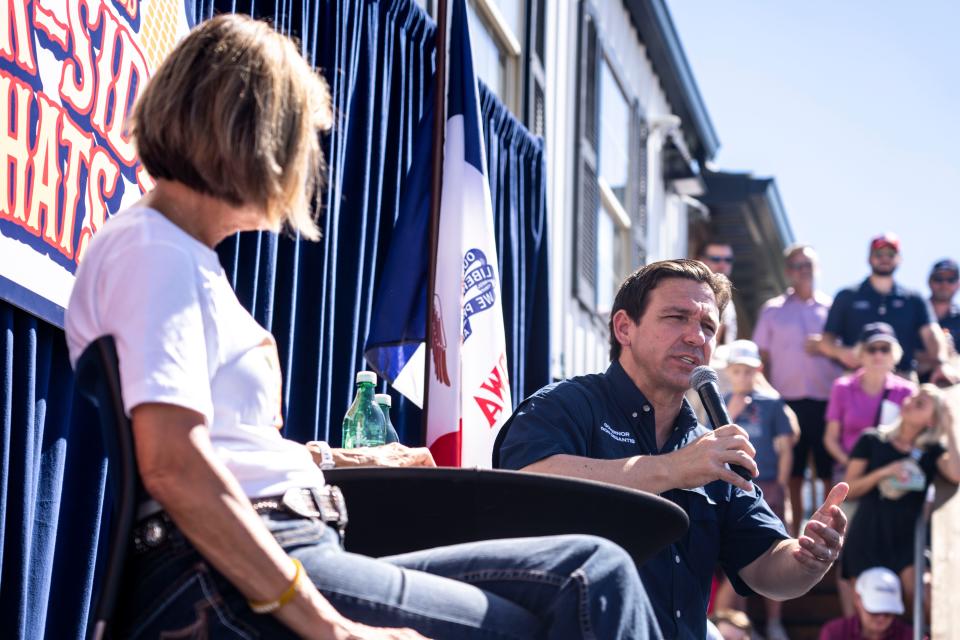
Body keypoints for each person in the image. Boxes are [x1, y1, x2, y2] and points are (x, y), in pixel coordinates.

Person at [64, 15, 662, 639]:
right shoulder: (154, 251)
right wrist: (330, 628)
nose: (306, 163)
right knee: (585, 584)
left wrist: (346, 456)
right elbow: (174, 465)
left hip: (280, 546)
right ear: (251, 132)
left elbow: (221, 446)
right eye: (301, 138)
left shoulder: (172, 253)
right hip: (229, 572)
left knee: (590, 572)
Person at [497, 259, 849, 639]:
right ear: (624, 328)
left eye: (708, 327)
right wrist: (674, 469)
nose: (696, 337)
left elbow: (766, 567)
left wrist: (807, 559)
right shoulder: (566, 405)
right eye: (676, 317)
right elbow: (527, 485)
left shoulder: (710, 449)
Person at [840, 385, 960, 609]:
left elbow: (955, 473)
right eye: (912, 396)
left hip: (908, 536)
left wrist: (951, 427)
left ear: (932, 420)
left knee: (923, 597)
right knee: (864, 608)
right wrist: (884, 472)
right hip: (869, 530)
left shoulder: (932, 451)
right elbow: (849, 488)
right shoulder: (873, 439)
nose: (910, 401)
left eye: (921, 403)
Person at [753, 244, 843, 536]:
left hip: (826, 400)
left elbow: (849, 355)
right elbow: (762, 358)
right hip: (786, 400)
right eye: (796, 265)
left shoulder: (833, 309)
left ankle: (828, 529)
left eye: (807, 264)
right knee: (792, 471)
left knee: (827, 468)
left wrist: (829, 348)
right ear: (787, 271)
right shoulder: (772, 311)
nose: (802, 270)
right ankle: (792, 533)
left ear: (817, 269)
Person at [711, 340, 796, 640]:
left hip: (769, 485)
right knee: (740, 561)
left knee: (776, 552)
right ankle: (738, 624)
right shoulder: (718, 401)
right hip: (734, 488)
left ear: (758, 370)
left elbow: (786, 447)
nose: (743, 376)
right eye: (737, 371)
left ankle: (774, 623)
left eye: (749, 370)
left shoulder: (772, 404)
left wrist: (781, 486)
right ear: (729, 372)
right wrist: (729, 411)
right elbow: (710, 445)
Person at [820, 233, 956, 384]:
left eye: (890, 254)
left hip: (902, 379)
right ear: (869, 258)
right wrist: (841, 352)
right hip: (857, 380)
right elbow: (826, 340)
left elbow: (931, 334)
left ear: (899, 258)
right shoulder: (847, 296)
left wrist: (941, 364)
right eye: (879, 254)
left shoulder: (913, 299)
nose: (884, 258)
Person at [823, 323, 917, 487]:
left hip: (893, 476)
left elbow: (915, 438)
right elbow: (830, 438)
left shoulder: (908, 391)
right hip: (849, 475)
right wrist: (854, 465)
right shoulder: (842, 387)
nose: (878, 355)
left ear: (894, 354)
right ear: (860, 353)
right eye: (872, 349)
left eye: (885, 349)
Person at [819, 567, 913, 640]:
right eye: (874, 611)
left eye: (888, 612)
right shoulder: (834, 632)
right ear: (858, 599)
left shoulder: (911, 635)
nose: (881, 617)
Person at [919, 258, 960, 381]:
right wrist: (938, 355)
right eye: (939, 279)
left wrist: (951, 354)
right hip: (915, 383)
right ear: (929, 282)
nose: (944, 284)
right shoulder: (915, 313)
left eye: (950, 280)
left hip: (952, 383)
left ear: (958, 284)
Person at [698, 241, 738, 345]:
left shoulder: (725, 296)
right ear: (701, 260)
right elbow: (711, 340)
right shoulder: (699, 294)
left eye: (728, 260)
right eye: (715, 259)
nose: (722, 264)